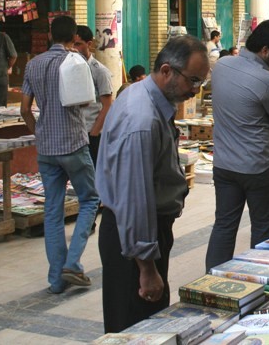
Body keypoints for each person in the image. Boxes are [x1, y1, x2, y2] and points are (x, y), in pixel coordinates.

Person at [96, 36, 209, 333]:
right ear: (167, 70)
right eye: (193, 80)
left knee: (145, 324)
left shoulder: (145, 99)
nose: (194, 90)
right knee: (137, 328)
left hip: (142, 233)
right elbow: (135, 199)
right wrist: (146, 268)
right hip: (132, 239)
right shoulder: (142, 119)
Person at [20, 15, 99, 294]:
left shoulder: (33, 64)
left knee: (52, 211)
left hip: (47, 149)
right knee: (89, 200)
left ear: (51, 34)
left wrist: (38, 132)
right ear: (73, 35)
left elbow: (25, 109)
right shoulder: (75, 61)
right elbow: (87, 101)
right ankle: (72, 263)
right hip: (74, 144)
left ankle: (56, 281)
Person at [206, 20, 269, 270]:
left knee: (224, 225)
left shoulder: (222, 65)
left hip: (224, 165)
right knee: (263, 228)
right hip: (257, 167)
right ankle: (258, 281)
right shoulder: (266, 80)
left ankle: (211, 280)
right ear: (265, 50)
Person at [72, 25, 113, 168]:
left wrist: (94, 133)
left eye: (78, 44)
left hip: (92, 133)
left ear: (88, 44)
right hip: (74, 132)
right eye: (72, 44)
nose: (74, 48)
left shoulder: (100, 71)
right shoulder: (68, 68)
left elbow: (107, 105)